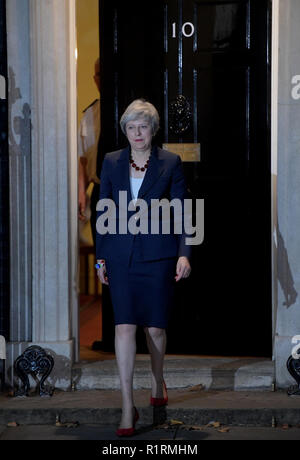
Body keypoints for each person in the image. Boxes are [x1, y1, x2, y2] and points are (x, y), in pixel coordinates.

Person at [95, 99, 192, 437]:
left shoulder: (170, 162)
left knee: (154, 330)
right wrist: (100, 258)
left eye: (144, 126)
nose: (137, 133)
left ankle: (157, 378)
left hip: (158, 256)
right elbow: (102, 212)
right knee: (123, 328)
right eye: (131, 127)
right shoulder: (111, 162)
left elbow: (182, 211)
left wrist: (185, 253)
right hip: (121, 257)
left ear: (153, 129)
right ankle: (126, 406)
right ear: (125, 131)